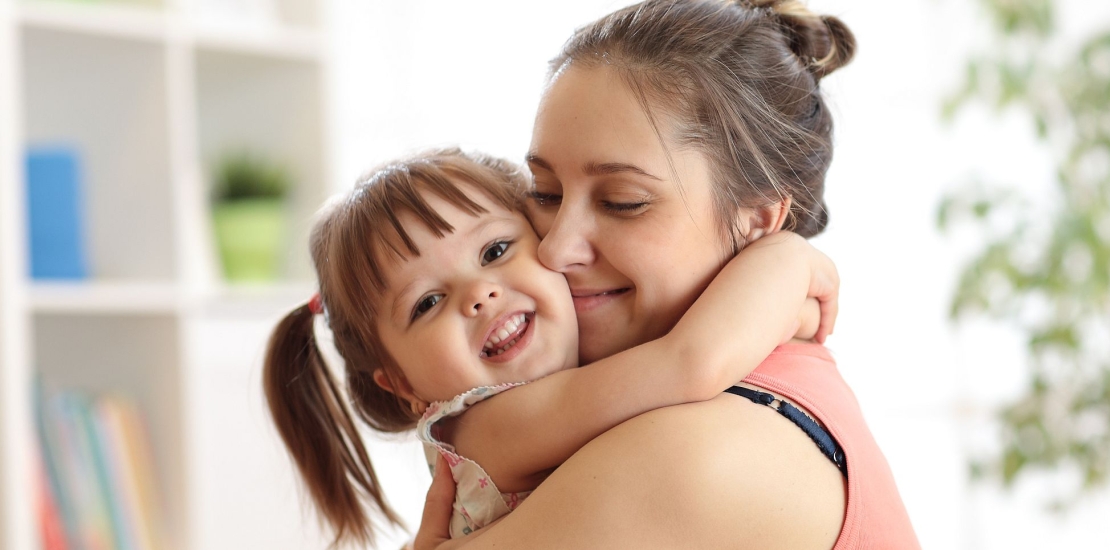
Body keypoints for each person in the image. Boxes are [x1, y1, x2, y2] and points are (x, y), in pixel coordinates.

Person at [413, 0, 921, 548]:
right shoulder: (769, 376)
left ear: (758, 222)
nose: (556, 249)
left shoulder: (686, 459)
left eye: (623, 202)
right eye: (544, 193)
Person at [261, 149, 840, 546]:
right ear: (404, 384)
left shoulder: (590, 382)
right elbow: (689, 362)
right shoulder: (483, 428)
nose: (479, 294)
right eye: (427, 304)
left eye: (493, 252)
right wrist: (784, 261)